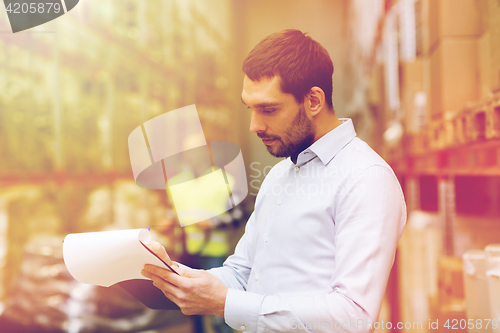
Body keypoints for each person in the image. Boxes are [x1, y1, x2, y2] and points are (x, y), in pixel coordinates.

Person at [142, 29, 407, 333]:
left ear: (314, 100)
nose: (255, 126)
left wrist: (224, 303)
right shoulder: (279, 176)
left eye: (268, 109)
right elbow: (242, 273)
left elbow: (352, 316)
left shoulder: (365, 178)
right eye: (250, 109)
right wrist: (177, 278)